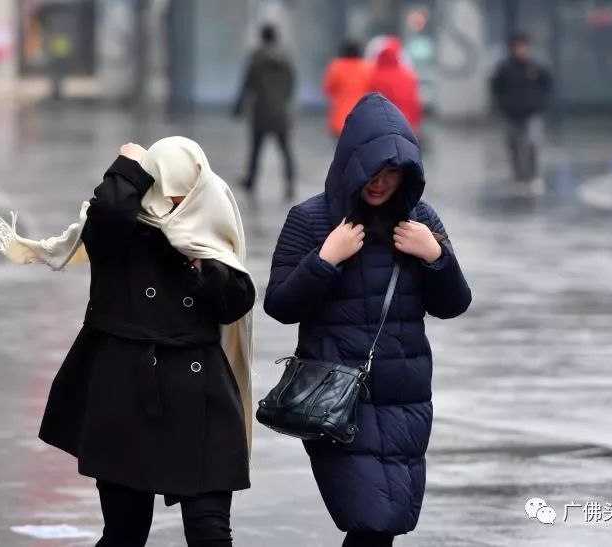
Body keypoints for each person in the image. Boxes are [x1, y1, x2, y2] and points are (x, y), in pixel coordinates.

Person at [0, 137, 256, 547]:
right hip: (126, 394)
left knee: (211, 532)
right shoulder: (122, 231)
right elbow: (106, 216)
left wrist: (204, 266)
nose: (175, 204)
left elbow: (234, 303)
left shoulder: (209, 231)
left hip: (199, 398)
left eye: (184, 194)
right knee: (124, 532)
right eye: (165, 192)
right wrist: (126, 168)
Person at [263, 93, 472, 546]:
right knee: (370, 519)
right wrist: (325, 259)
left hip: (405, 398)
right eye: (372, 171)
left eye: (392, 173)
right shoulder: (311, 220)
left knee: (386, 525)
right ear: (350, 164)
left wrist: (436, 256)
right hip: (336, 400)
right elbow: (279, 306)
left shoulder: (421, 220)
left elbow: (453, 304)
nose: (380, 183)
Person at [234, 24, 296, 202]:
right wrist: (283, 100)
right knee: (285, 150)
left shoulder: (256, 58)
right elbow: (291, 83)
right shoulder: (285, 58)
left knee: (255, 149)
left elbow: (247, 83)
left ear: (262, 37)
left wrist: (238, 106)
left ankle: (251, 181)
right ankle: (290, 181)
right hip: (280, 112)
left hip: (261, 110)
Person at [491, 32, 553, 195]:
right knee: (515, 147)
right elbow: (496, 89)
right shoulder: (505, 68)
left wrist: (539, 104)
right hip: (511, 115)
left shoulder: (535, 67)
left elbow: (546, 86)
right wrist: (504, 107)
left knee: (533, 144)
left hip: (531, 113)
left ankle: (533, 177)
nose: (522, 50)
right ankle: (519, 178)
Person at [369, 37, 423, 135]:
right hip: (407, 123)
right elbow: (415, 103)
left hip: (382, 126)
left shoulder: (373, 76)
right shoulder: (408, 75)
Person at [322, 39, 373, 137]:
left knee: (341, 149)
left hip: (340, 118)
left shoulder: (336, 67)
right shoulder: (368, 67)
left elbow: (328, 89)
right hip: (362, 118)